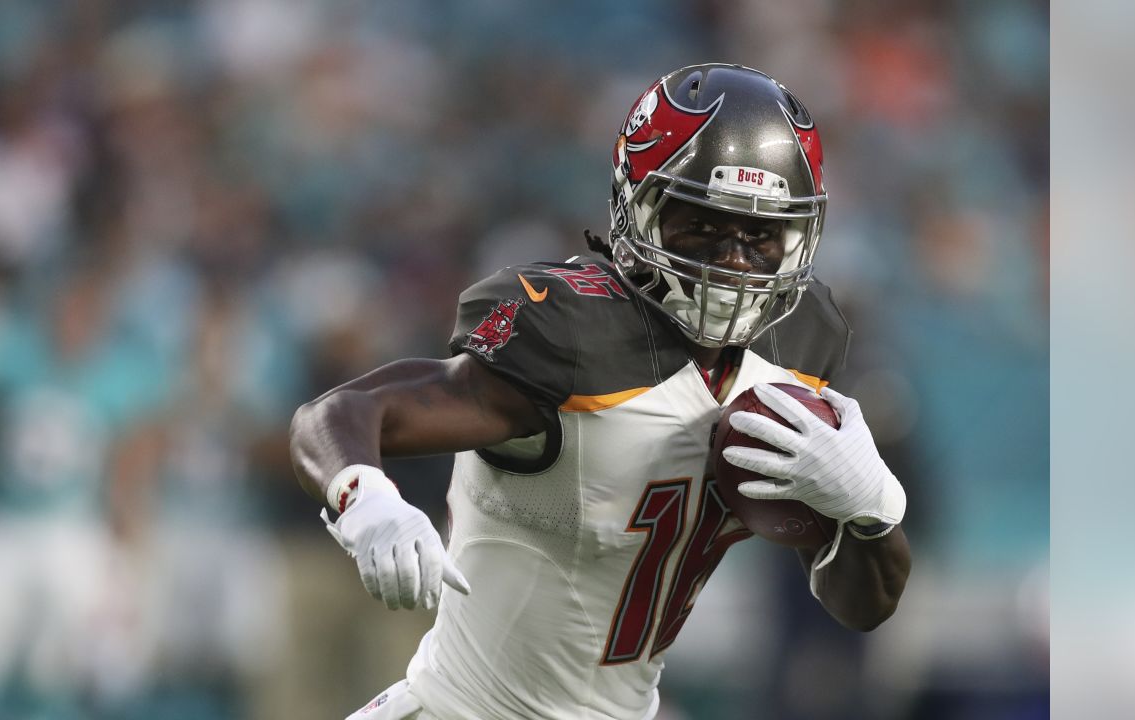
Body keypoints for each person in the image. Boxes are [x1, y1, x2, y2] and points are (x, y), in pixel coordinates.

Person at [289, 63, 911, 720]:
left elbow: (864, 604)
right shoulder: (569, 331)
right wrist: (366, 499)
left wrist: (871, 510)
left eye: (759, 235)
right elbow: (340, 414)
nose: (732, 259)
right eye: (701, 223)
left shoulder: (801, 349)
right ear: (636, 208)